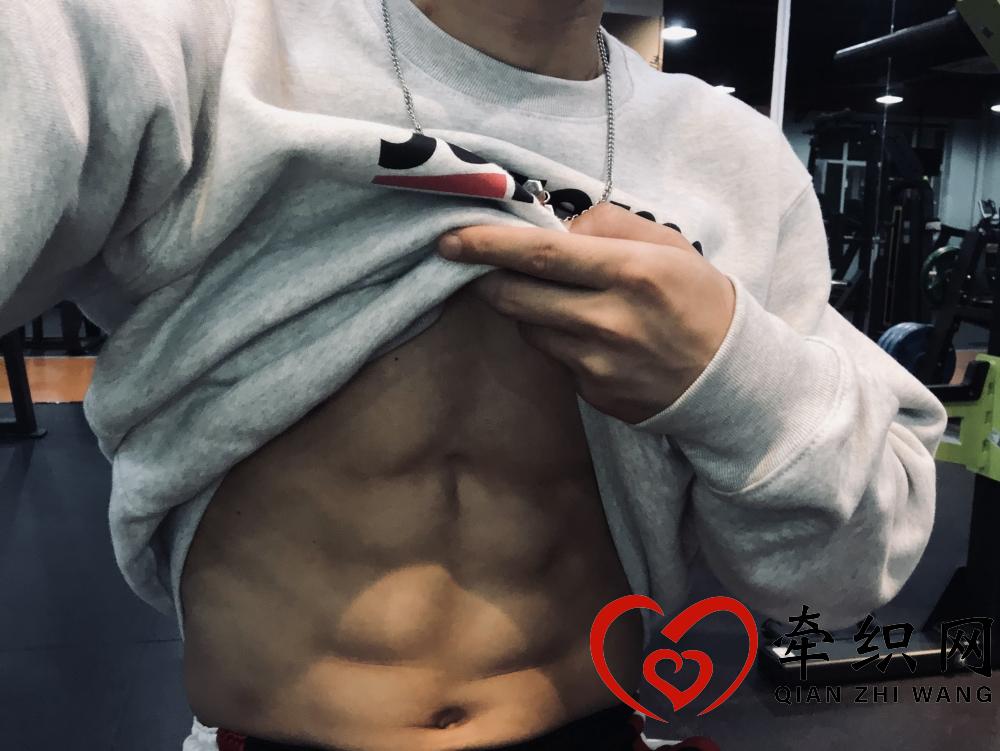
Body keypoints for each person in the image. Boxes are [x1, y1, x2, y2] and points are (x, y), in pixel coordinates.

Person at [0, 0, 947, 750]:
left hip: (592, 729)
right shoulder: (190, 40)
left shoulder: (735, 161)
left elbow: (844, 578)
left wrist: (727, 372)